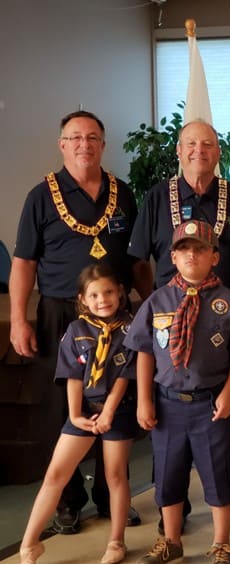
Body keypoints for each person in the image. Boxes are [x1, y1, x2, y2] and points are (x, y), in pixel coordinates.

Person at [128, 119, 230, 535]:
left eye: (207, 144)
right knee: (169, 424)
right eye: (190, 143)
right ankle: (172, 509)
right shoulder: (157, 198)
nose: (199, 150)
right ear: (178, 151)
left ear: (219, 152)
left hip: (229, 326)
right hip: (169, 329)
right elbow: (139, 260)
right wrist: (159, 302)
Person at [9, 110, 148, 535]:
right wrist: (19, 318)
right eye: (75, 137)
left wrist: (150, 302)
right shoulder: (41, 196)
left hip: (117, 313)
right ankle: (69, 503)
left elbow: (138, 258)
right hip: (63, 314)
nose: (84, 144)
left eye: (92, 137)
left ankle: (111, 497)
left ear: (103, 144)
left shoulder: (122, 193)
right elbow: (23, 262)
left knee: (118, 403)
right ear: (62, 145)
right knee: (62, 409)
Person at [126, 220, 230, 564]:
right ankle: (171, 540)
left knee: (219, 474)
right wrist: (144, 400)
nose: (191, 255)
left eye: (200, 249)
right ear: (172, 256)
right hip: (167, 404)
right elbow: (143, 352)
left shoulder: (228, 301)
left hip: (210, 404)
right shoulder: (158, 300)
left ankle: (221, 544)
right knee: (168, 475)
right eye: (184, 249)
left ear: (214, 256)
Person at [18, 264, 137, 564]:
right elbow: (72, 376)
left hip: (118, 408)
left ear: (121, 292)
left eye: (109, 292)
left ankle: (116, 540)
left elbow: (125, 376)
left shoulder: (131, 328)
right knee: (55, 474)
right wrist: (74, 415)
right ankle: (29, 546)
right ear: (83, 299)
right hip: (84, 409)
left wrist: (109, 412)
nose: (103, 300)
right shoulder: (75, 330)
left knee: (114, 476)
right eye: (95, 295)